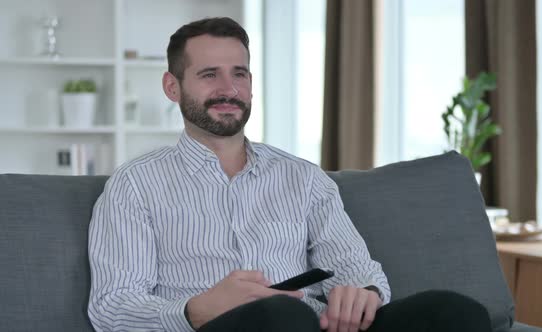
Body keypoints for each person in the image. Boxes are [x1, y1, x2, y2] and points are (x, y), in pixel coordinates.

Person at [88, 17, 493, 332]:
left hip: (315, 324)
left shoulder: (304, 178)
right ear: (172, 87)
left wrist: (362, 294)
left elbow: (357, 267)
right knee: (280, 317)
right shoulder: (135, 185)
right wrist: (195, 309)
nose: (229, 88)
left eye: (240, 74)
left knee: (454, 311)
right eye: (209, 75)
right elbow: (111, 307)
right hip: (224, 328)